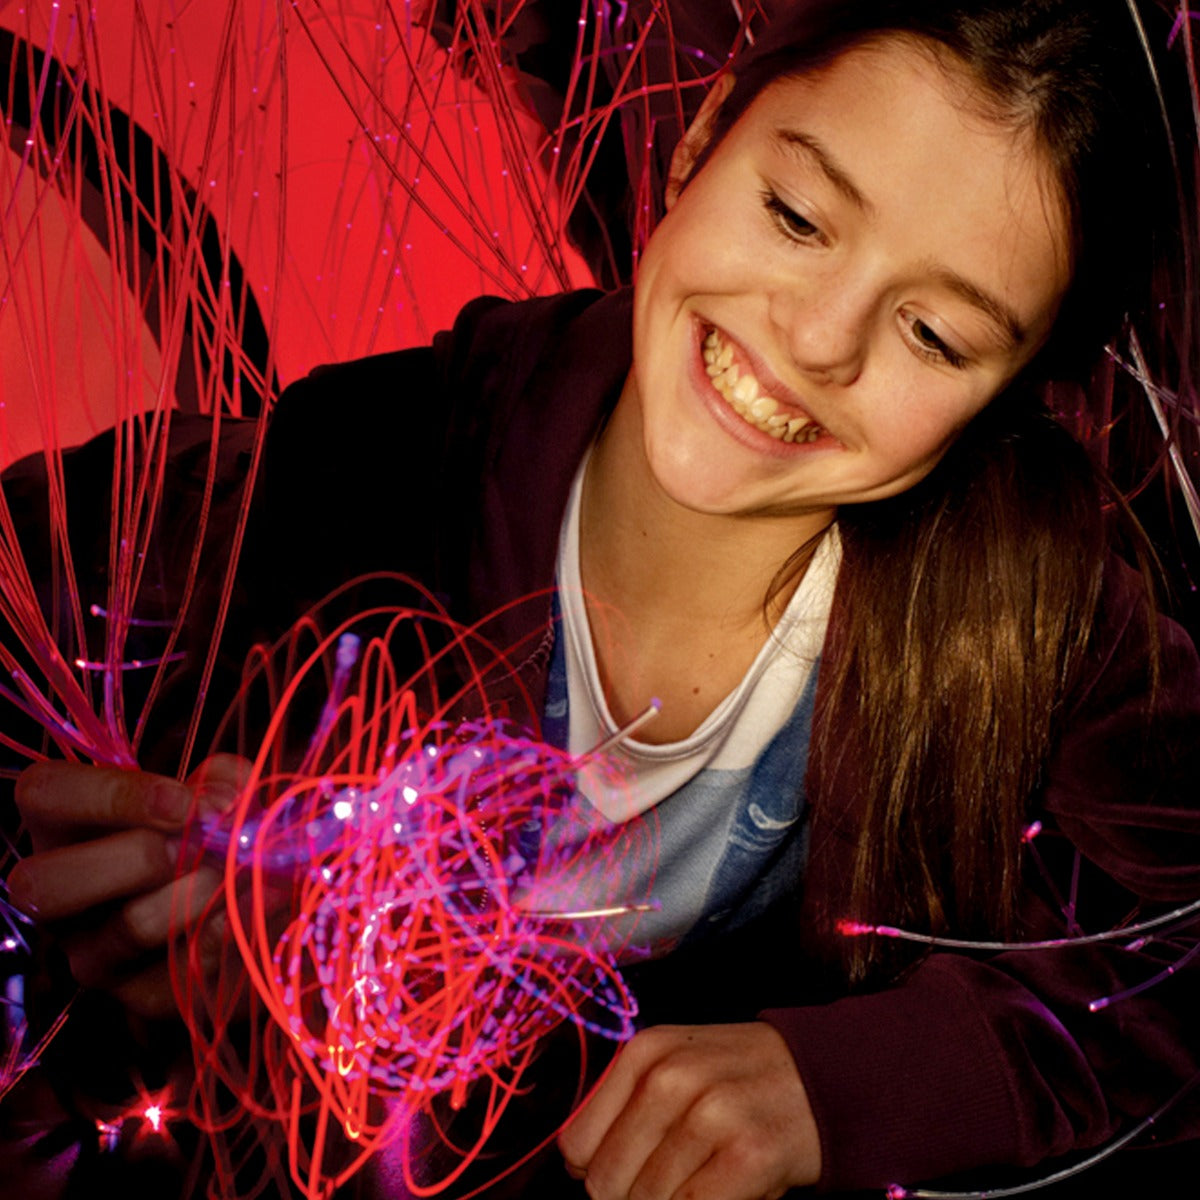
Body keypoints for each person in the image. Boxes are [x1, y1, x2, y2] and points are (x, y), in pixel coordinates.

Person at [6, 1, 1200, 1196]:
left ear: (1008, 394)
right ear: (702, 143)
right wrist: (87, 954)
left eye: (935, 335)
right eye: (795, 216)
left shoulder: (1045, 631)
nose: (817, 340)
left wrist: (856, 1086)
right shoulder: (325, 478)